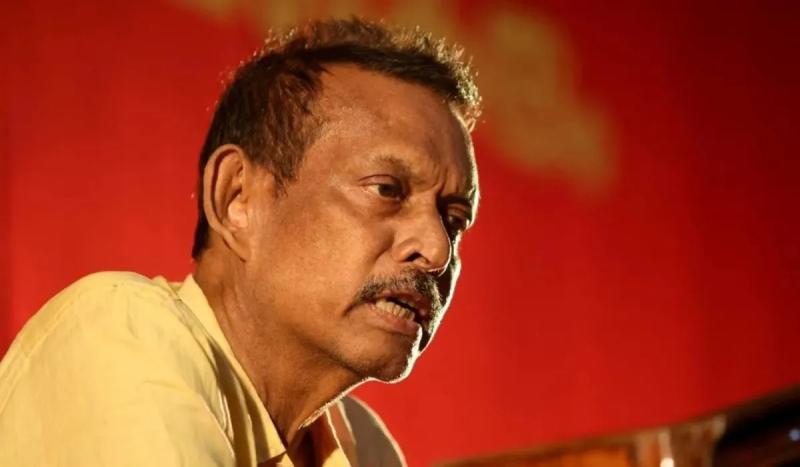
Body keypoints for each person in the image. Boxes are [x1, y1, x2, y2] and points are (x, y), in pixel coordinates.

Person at [0, 17, 481, 467]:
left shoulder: (365, 444)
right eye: (387, 190)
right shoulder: (121, 335)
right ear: (237, 198)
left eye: (454, 220)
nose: (437, 251)